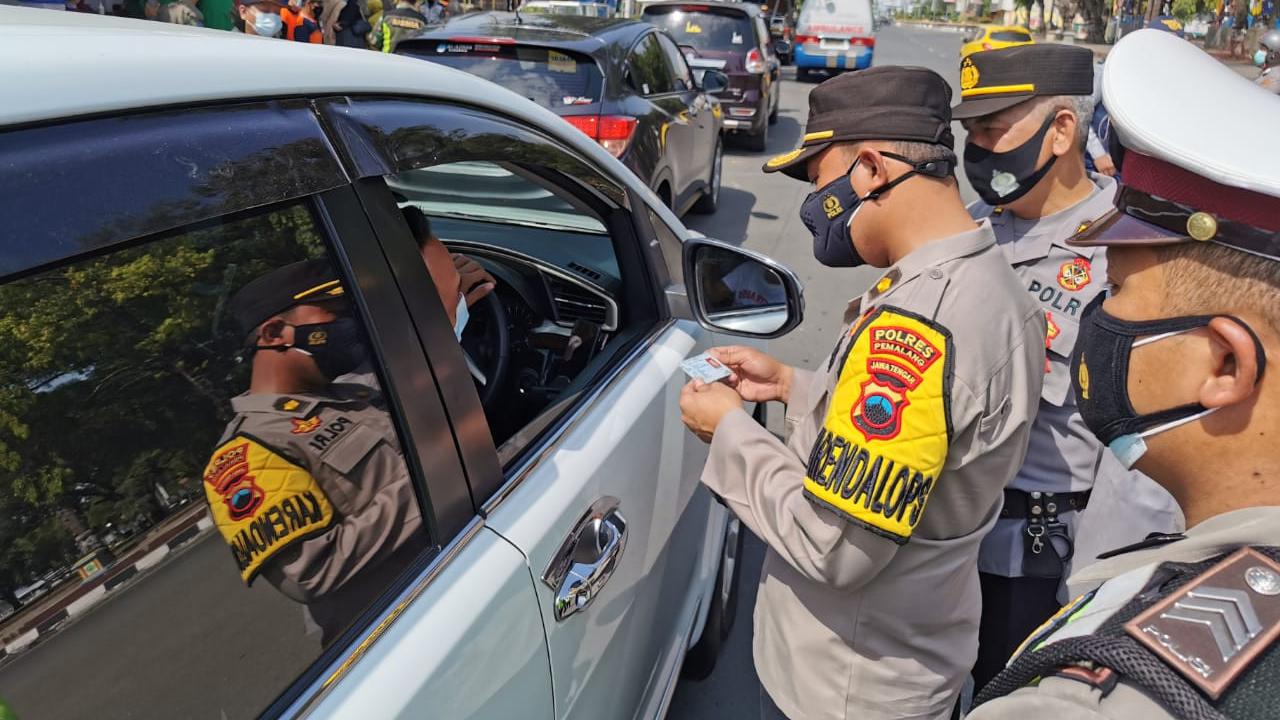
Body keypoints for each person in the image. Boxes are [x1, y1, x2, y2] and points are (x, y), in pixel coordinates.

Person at [678, 67, 1046, 720]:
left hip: (842, 689)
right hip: (902, 661)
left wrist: (731, 429)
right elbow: (934, 439)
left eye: (819, 181)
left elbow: (832, 545)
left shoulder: (923, 326)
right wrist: (795, 388)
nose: (815, 208)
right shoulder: (989, 288)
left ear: (870, 168)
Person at [970, 28, 1280, 719]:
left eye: (1116, 299)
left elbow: (1128, 495)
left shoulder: (1103, 695)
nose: (1103, 324)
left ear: (1226, 363)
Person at [953, 43, 1182, 693]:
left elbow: (1143, 453)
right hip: (941, 549)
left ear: (1061, 130)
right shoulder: (971, 231)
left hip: (1038, 564)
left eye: (994, 130)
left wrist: (1097, 596)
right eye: (972, 132)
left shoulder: (1128, 252)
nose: (979, 149)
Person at [203, 260, 426, 646]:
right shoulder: (247, 454)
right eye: (333, 314)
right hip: (400, 633)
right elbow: (308, 571)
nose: (346, 325)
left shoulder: (352, 393)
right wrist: (432, 480)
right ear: (275, 333)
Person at [1255, 28, 1280, 93]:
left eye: (1263, 49)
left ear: (1275, 54)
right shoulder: (1269, 70)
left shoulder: (1274, 79)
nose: (1259, 52)